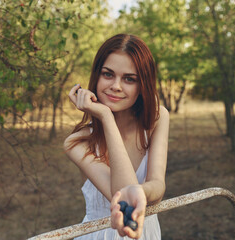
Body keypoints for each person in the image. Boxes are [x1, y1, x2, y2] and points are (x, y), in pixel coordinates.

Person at [64, 33, 169, 239]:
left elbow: (157, 184)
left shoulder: (157, 118)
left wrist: (142, 192)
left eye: (129, 79)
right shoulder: (77, 142)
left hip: (146, 233)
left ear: (142, 86)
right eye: (108, 74)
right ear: (97, 75)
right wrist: (105, 116)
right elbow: (123, 199)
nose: (116, 86)